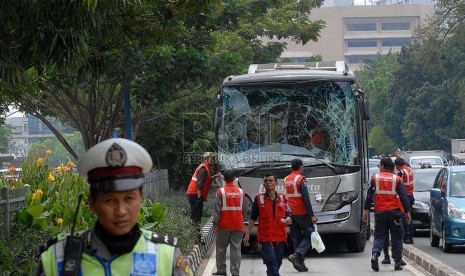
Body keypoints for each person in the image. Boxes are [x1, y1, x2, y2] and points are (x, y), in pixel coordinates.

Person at [35, 138, 193, 275]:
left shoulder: (166, 255)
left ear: (141, 199)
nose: (121, 211)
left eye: (129, 198)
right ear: (92, 203)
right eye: (110, 200)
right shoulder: (57, 258)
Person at [362, 157, 411, 272]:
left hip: (379, 212)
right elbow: (403, 197)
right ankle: (397, 262)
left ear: (383, 166)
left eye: (380, 166)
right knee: (397, 237)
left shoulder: (375, 178)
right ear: (392, 167)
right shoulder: (397, 179)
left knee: (379, 235)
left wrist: (365, 210)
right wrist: (407, 212)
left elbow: (369, 195)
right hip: (394, 212)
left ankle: (375, 254)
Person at [243, 173, 292, 276]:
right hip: (265, 238)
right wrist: (247, 234)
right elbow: (253, 218)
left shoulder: (283, 198)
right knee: (271, 261)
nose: (268, 183)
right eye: (266, 181)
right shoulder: (259, 199)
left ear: (276, 183)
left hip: (280, 237)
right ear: (264, 184)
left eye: (270, 180)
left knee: (277, 262)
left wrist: (288, 218)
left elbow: (289, 213)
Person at [284, 158, 317, 272]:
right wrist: (312, 215)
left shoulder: (286, 179)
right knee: (311, 235)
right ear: (301, 167)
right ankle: (297, 255)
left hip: (290, 213)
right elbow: (306, 198)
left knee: (296, 237)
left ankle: (300, 264)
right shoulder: (300, 179)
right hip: (301, 212)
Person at [212, 169, 246, 276]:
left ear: (224, 179)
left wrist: (215, 223)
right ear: (234, 179)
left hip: (223, 225)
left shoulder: (220, 192)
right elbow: (244, 209)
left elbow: (217, 210)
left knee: (221, 248)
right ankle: (235, 272)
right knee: (236, 249)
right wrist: (241, 220)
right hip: (237, 225)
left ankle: (221, 270)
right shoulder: (241, 192)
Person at [186, 152, 220, 244]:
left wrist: (214, 177)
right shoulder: (204, 169)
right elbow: (199, 183)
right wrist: (199, 196)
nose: (214, 160)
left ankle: (195, 238)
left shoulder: (205, 168)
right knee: (196, 217)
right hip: (195, 195)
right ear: (208, 158)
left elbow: (206, 180)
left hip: (194, 195)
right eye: (212, 158)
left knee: (196, 217)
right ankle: (195, 239)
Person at [395, 158, 415, 244]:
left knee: (404, 216)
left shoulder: (402, 171)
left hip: (405, 196)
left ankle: (406, 236)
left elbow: (397, 176)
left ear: (397, 166)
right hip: (411, 195)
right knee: (409, 215)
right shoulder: (409, 169)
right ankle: (410, 236)